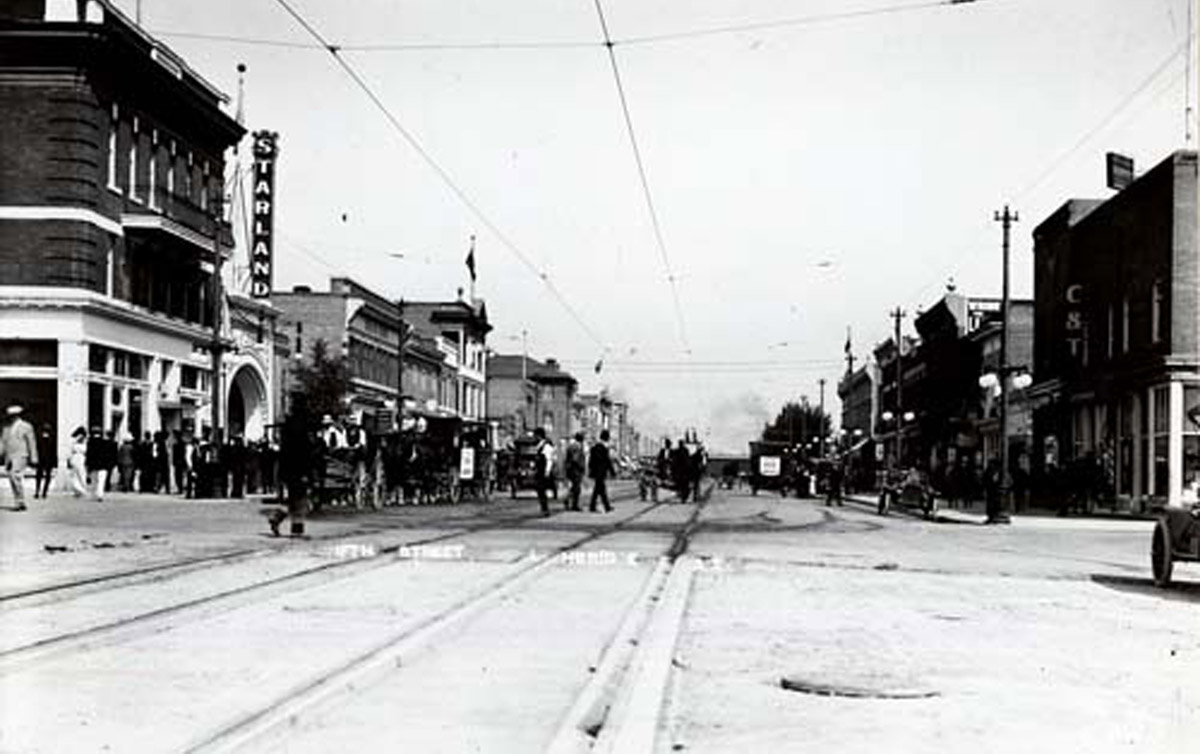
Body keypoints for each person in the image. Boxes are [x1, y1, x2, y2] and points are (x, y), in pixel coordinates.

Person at [2, 404, 38, 511]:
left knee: (15, 476)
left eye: (14, 415)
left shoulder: (26, 426)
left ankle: (20, 501)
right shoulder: (6, 427)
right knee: (12, 478)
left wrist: (34, 457)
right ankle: (18, 501)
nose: (12, 417)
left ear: (18, 415)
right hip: (9, 456)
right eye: (10, 415)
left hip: (21, 455)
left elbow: (31, 442)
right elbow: (2, 442)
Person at [588, 429, 615, 513]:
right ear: (606, 438)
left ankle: (595, 506)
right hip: (601, 471)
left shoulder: (594, 447)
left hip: (596, 471)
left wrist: (591, 470)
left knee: (599, 489)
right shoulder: (603, 448)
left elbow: (590, 461)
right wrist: (612, 471)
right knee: (600, 489)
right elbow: (607, 461)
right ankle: (605, 506)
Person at [533, 427, 554, 516]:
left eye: (536, 435)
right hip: (539, 470)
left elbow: (549, 460)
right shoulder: (539, 446)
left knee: (542, 490)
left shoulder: (546, 446)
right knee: (540, 490)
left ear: (539, 436)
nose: (535, 437)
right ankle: (544, 508)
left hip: (543, 471)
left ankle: (545, 509)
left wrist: (547, 471)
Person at [564, 432, 586, 512]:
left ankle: (569, 500)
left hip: (571, 469)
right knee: (577, 488)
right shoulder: (576, 447)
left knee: (574, 487)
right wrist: (581, 466)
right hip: (575, 469)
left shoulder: (572, 446)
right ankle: (574, 504)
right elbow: (575, 459)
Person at [34, 423, 57, 499]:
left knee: (47, 476)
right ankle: (37, 491)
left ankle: (44, 492)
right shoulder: (39, 437)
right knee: (39, 476)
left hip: (48, 460)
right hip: (41, 459)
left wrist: (54, 461)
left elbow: (53, 450)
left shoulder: (52, 437)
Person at [67, 426, 88, 497]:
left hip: (75, 457)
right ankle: (82, 489)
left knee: (74, 475)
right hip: (81, 458)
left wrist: (69, 460)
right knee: (81, 474)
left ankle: (78, 490)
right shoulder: (84, 440)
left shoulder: (74, 440)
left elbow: (71, 451)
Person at [671, 439, 692, 503]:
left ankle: (683, 496)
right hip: (681, 470)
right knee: (683, 483)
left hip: (682, 470)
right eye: (680, 443)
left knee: (683, 483)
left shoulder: (683, 450)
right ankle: (683, 495)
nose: (680, 444)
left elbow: (687, 460)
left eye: (681, 443)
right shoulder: (682, 451)